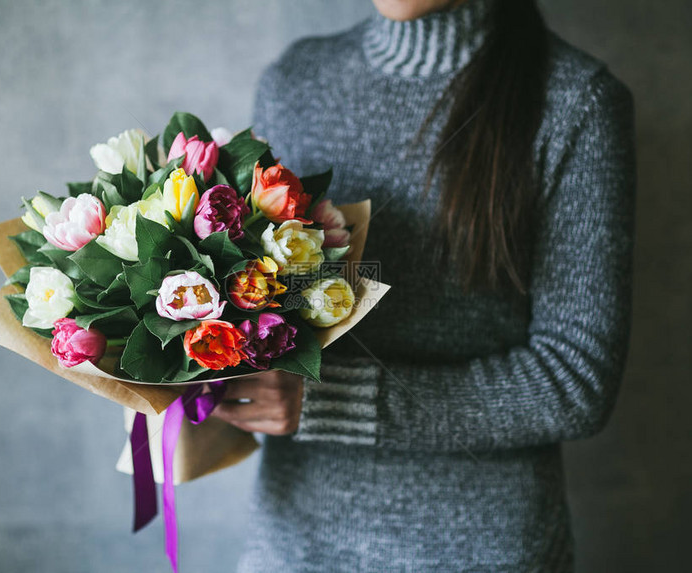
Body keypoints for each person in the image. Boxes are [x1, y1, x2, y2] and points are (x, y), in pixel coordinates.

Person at [211, 0, 636, 570]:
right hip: (293, 545)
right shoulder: (296, 80)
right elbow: (266, 310)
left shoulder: (575, 101)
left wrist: (326, 401)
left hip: (481, 551)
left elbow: (573, 380)